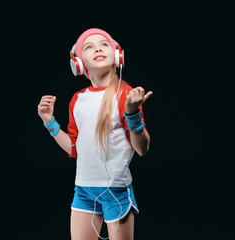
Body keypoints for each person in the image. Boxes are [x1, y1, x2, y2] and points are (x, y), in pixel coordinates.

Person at [37, 28, 152, 240]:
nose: (98, 48)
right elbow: (74, 148)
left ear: (117, 56)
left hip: (115, 191)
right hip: (83, 189)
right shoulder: (77, 99)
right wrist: (49, 122)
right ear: (79, 64)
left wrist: (133, 113)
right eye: (89, 47)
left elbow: (142, 149)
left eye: (104, 44)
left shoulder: (125, 94)